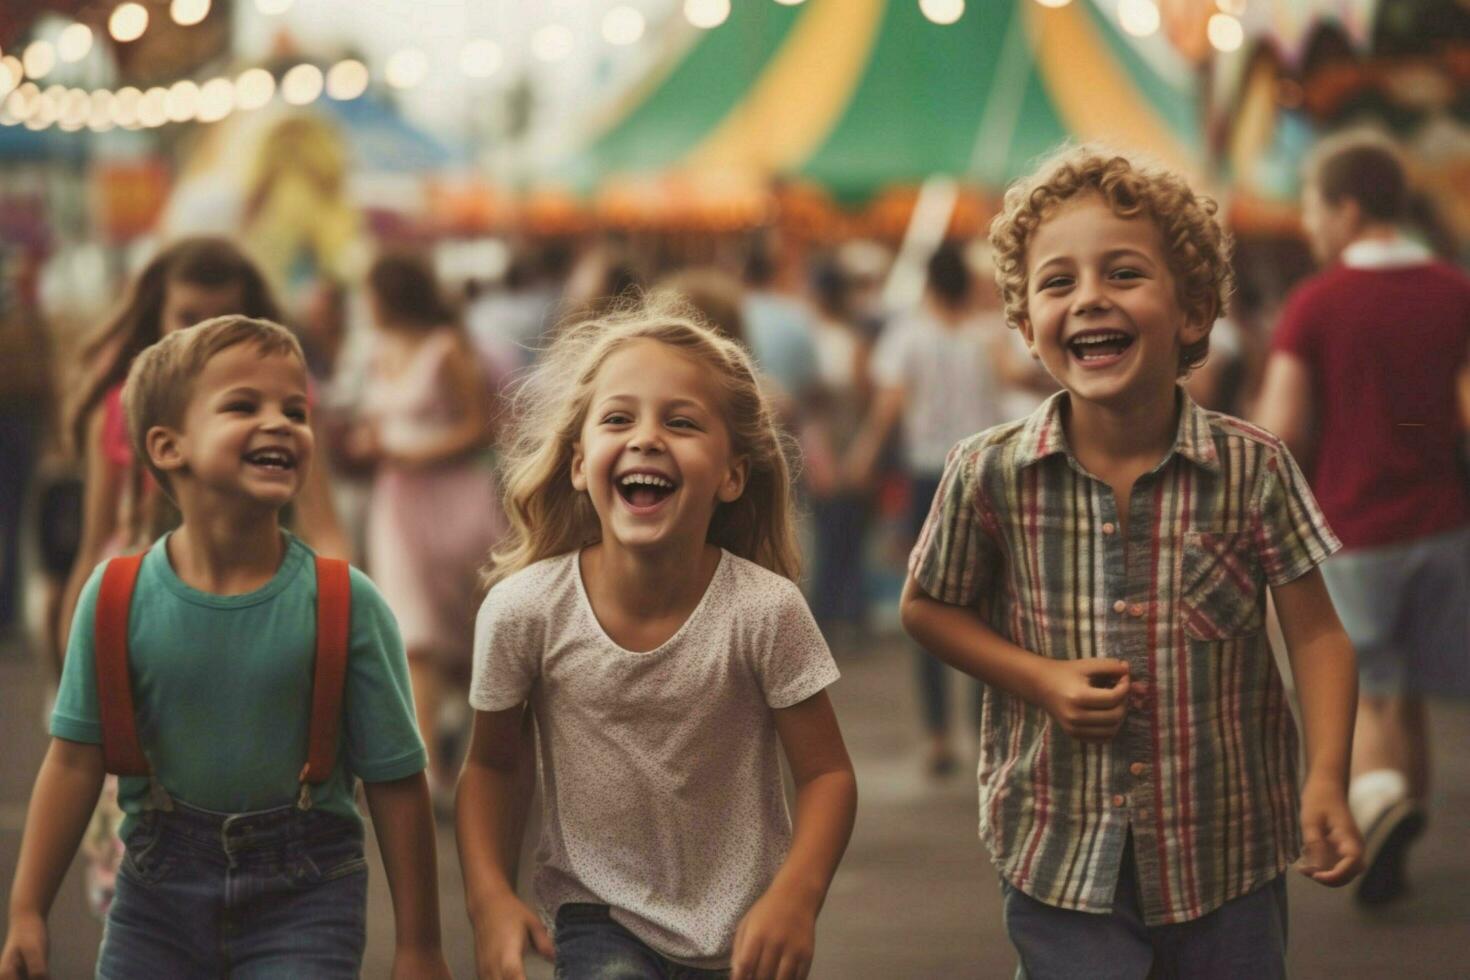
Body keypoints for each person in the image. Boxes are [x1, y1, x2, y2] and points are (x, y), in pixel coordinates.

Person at [902, 145, 1363, 979]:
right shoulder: (989, 472)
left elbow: (1320, 639)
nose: (1089, 300)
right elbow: (927, 607)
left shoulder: (1252, 469)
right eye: (1057, 283)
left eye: (1122, 274)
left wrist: (1328, 777)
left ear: (1191, 312)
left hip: (1226, 854)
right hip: (1059, 852)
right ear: (1024, 324)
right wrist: (1038, 680)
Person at [0, 316, 450, 979]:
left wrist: (419, 947)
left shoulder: (346, 603)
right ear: (168, 446)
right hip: (155, 896)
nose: (280, 423)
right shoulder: (115, 596)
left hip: (307, 896)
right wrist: (27, 909)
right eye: (244, 405)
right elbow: (72, 762)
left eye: (294, 410)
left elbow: (398, 785)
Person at [456, 299, 858, 980]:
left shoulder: (765, 611)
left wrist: (796, 896)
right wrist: (489, 897)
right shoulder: (525, 612)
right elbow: (491, 766)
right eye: (619, 418)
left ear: (732, 474)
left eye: (680, 422)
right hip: (596, 918)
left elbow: (827, 776)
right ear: (580, 463)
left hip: (742, 936)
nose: (645, 438)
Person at [56, 236, 351, 917]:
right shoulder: (123, 409)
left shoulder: (275, 407)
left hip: (251, 616)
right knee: (128, 831)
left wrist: (349, 613)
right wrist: (75, 649)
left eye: (222, 318)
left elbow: (324, 518)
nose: (198, 334)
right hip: (136, 622)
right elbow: (94, 545)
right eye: (185, 315)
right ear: (156, 314)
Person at [1255, 131, 1470, 906]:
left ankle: (1378, 807)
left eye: (1313, 208)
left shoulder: (1317, 303)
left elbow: (1279, 425)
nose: (1311, 225)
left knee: (1373, 687)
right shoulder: (1454, 289)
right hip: (1444, 525)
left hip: (1355, 525)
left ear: (1346, 206)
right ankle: (1399, 830)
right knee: (1405, 692)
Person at [846, 240, 1006, 775]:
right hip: (985, 475)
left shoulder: (908, 335)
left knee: (930, 605)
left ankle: (939, 736)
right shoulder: (986, 338)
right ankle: (987, 732)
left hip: (928, 479)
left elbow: (889, 405)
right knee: (988, 608)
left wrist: (865, 457)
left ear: (929, 283)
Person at [352, 250, 504, 803]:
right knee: (413, 635)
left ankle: (479, 748)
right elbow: (378, 421)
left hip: (455, 501)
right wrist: (371, 445)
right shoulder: (376, 353)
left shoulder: (447, 348)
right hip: (397, 506)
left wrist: (417, 454)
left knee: (472, 632)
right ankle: (425, 773)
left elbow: (481, 425)